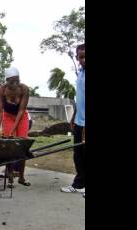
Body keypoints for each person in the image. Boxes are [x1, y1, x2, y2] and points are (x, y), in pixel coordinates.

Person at [0, 67, 31, 187]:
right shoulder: (0, 91)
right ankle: (9, 176)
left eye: (17, 81)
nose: (14, 84)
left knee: (22, 145)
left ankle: (21, 177)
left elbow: (21, 110)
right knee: (9, 146)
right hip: (8, 117)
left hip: (22, 117)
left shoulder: (24, 89)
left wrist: (14, 130)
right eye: (11, 81)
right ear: (6, 81)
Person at [61, 44, 85, 198]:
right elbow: (80, 99)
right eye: (80, 57)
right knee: (78, 155)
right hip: (79, 121)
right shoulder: (81, 73)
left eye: (85, 56)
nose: (83, 60)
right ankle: (79, 184)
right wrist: (74, 116)